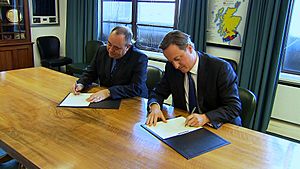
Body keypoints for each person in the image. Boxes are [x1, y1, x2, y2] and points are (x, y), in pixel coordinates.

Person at [146, 30, 241, 128]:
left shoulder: (220, 68)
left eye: (177, 59)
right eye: (171, 61)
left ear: (190, 49)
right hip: (186, 124)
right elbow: (158, 92)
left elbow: (233, 107)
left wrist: (205, 118)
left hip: (219, 127)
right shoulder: (172, 68)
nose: (175, 66)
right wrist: (154, 106)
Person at [72, 26, 148, 101]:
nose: (111, 50)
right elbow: (91, 72)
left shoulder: (139, 58)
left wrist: (109, 92)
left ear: (127, 47)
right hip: (105, 98)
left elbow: (136, 87)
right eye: (109, 44)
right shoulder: (102, 50)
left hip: (132, 100)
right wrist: (81, 83)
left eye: (116, 48)